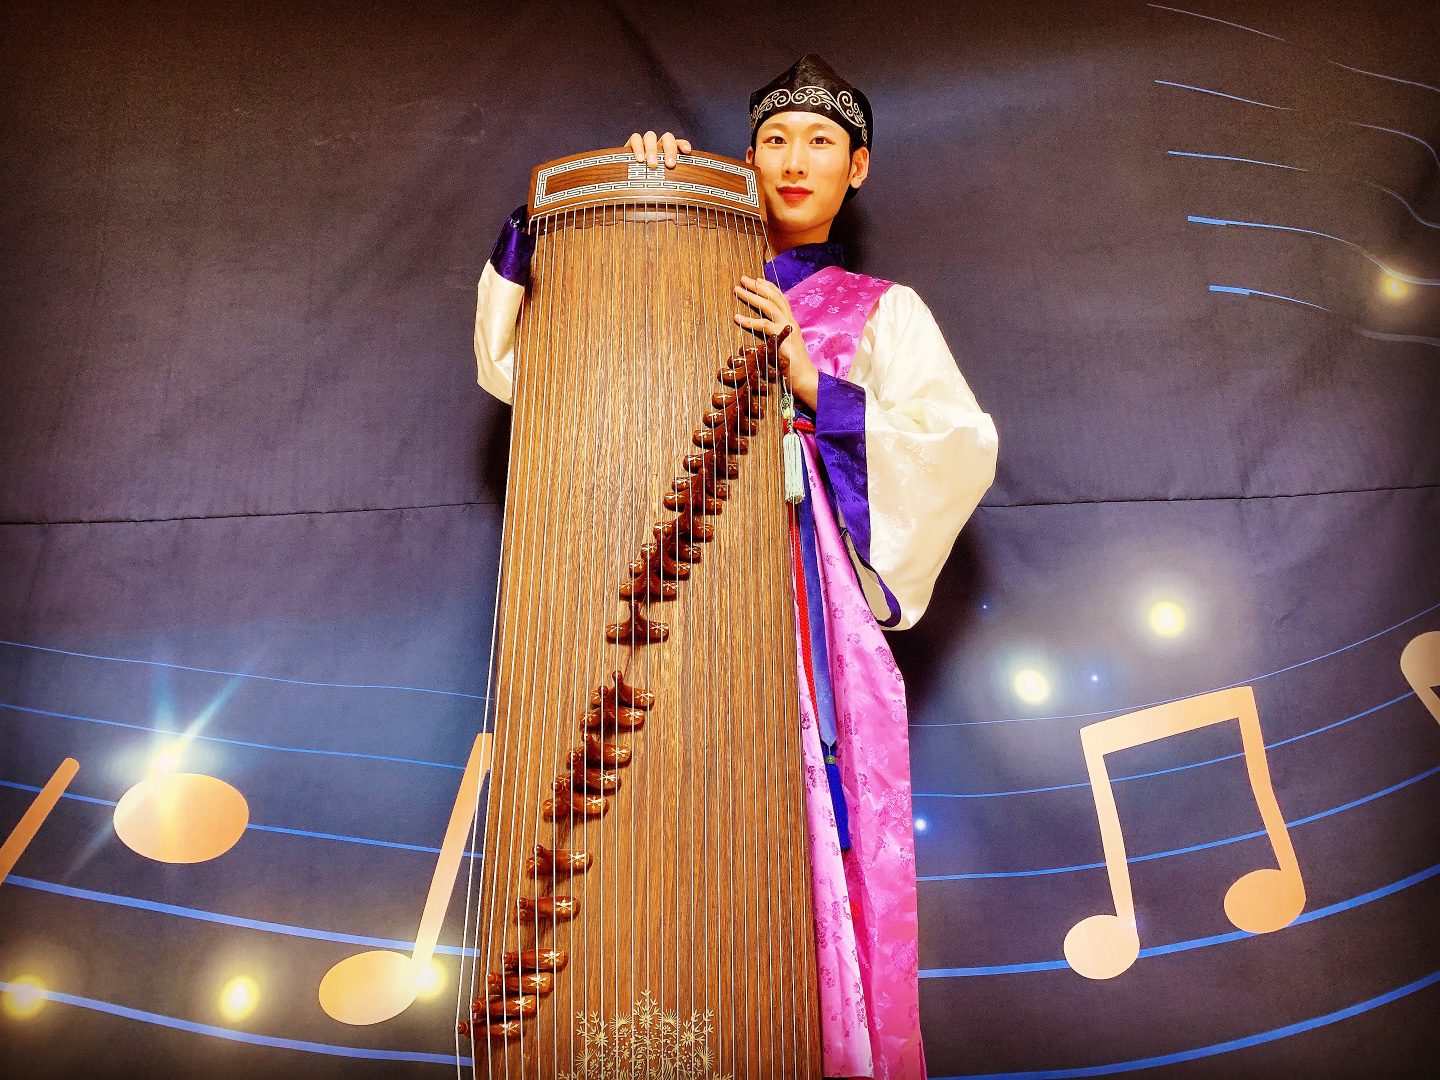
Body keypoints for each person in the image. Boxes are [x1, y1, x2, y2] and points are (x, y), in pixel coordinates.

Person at [473, 54, 997, 1080]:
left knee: (790, 844)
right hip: (657, 604)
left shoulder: (879, 309)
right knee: (638, 836)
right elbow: (518, 370)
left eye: (822, 144)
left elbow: (957, 447)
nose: (795, 161)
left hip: (793, 621)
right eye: (774, 140)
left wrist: (817, 387)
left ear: (860, 170)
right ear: (747, 158)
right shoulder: (661, 269)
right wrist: (611, 215)